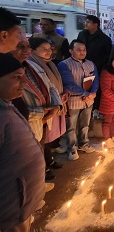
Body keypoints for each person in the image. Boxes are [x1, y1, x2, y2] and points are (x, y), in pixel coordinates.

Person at [0, 53, 45, 232]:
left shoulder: (7, 105)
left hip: (19, 206)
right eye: (17, 78)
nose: (24, 83)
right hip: (8, 211)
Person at [28, 37, 67, 171]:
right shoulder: (30, 65)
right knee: (39, 140)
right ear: (32, 50)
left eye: (49, 49)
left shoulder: (49, 63)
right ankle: (42, 169)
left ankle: (48, 162)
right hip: (38, 109)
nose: (48, 52)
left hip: (52, 105)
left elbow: (50, 85)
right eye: (44, 49)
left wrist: (58, 101)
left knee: (45, 138)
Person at [57, 40, 99, 161]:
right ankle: (72, 148)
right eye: (78, 50)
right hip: (73, 101)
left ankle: (84, 144)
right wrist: (85, 93)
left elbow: (96, 80)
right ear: (71, 51)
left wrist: (92, 93)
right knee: (71, 126)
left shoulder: (91, 64)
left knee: (85, 125)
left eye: (84, 50)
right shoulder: (64, 65)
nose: (82, 52)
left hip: (88, 101)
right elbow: (69, 84)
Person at [77, 15, 112, 110]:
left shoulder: (104, 39)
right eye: (86, 22)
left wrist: (101, 68)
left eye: (88, 22)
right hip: (79, 67)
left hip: (96, 69)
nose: (85, 23)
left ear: (95, 24)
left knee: (94, 91)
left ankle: (94, 110)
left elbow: (107, 56)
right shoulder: (82, 35)